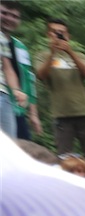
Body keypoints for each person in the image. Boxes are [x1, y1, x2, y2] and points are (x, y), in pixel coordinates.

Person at [35, 18, 85, 182]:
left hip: (84, 111)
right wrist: (52, 53)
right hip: (61, 115)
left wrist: (70, 52)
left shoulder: (79, 55)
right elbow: (41, 75)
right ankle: (65, 193)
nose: (59, 35)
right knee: (64, 158)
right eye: (55, 32)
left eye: (62, 32)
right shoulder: (42, 56)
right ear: (48, 34)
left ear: (68, 35)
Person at [1, 1, 39, 141]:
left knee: (20, 151)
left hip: (16, 107)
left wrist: (33, 114)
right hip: (4, 100)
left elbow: (29, 80)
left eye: (14, 16)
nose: (9, 18)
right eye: (4, 13)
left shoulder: (20, 47)